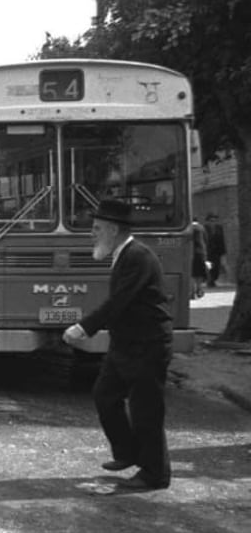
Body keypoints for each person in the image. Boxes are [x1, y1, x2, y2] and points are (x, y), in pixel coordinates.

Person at [63, 199, 173, 492]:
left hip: (147, 345)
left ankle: (155, 474)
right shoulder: (123, 254)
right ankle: (127, 453)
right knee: (104, 395)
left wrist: (83, 327)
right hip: (126, 344)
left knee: (146, 410)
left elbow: (119, 301)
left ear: (113, 230)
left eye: (97, 228)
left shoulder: (137, 256)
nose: (92, 233)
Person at [203, 212, 226, 288]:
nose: (213, 222)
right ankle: (210, 280)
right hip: (208, 251)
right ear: (208, 221)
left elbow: (222, 239)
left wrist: (223, 252)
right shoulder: (204, 228)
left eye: (214, 220)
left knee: (216, 267)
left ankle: (213, 279)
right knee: (209, 266)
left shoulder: (219, 228)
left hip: (217, 251)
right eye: (211, 220)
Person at [189, 217, 208, 300]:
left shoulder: (188, 228)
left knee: (191, 273)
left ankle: (192, 292)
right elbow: (206, 240)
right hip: (200, 253)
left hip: (190, 253)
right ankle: (199, 289)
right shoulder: (201, 228)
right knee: (199, 273)